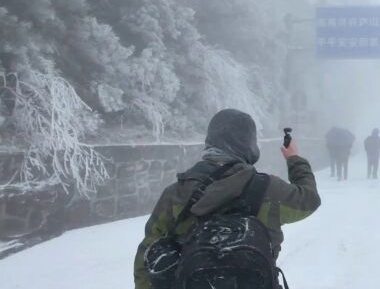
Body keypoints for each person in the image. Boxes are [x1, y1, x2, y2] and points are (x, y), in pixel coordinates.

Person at [133, 109, 321, 289]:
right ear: (250, 144)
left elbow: (148, 253)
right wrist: (294, 159)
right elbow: (309, 199)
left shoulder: (176, 193)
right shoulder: (270, 190)